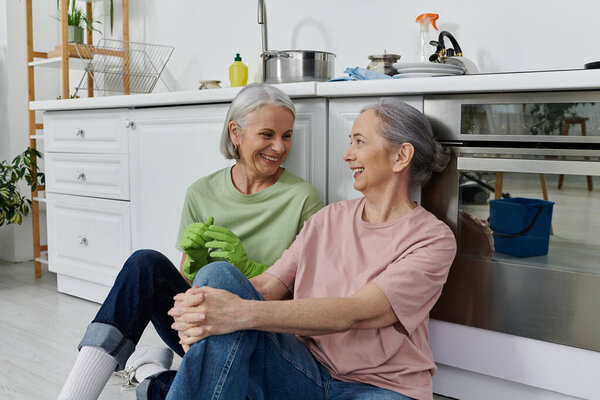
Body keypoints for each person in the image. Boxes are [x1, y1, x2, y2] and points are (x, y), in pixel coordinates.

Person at [166, 99, 457, 400]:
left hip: (381, 388)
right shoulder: (327, 219)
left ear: (401, 156)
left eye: (359, 141)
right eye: (350, 142)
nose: (347, 154)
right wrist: (199, 309)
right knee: (217, 274)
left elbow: (358, 313)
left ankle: (168, 387)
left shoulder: (432, 239)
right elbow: (267, 285)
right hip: (304, 371)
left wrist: (239, 312)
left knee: (223, 327)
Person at [57, 83, 323, 400]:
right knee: (145, 264)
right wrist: (196, 262)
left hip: (265, 335)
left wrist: (249, 268)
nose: (279, 147)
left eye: (287, 135)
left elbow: (312, 301)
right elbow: (188, 286)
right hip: (201, 328)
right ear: (235, 133)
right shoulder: (201, 192)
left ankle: (150, 374)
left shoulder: (303, 198)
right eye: (267, 135)